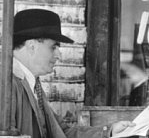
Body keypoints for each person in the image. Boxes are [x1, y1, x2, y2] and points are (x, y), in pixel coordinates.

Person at [11, 9, 134, 138]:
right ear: (32, 46)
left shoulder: (31, 83)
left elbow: (62, 132)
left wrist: (109, 132)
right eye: (53, 47)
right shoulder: (6, 84)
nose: (58, 55)